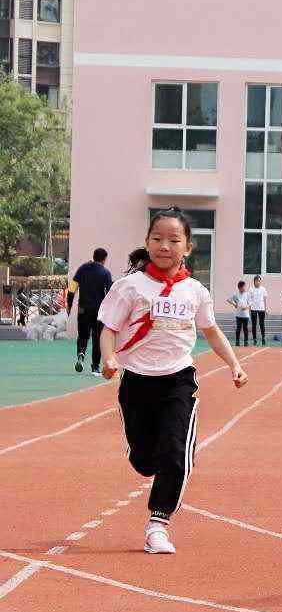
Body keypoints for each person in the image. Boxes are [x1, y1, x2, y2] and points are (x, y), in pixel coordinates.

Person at [96, 208, 247, 554]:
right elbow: (109, 330)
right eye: (157, 238)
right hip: (136, 382)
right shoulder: (129, 287)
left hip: (179, 380)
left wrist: (234, 365)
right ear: (147, 242)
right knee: (145, 460)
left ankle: (158, 524)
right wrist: (109, 358)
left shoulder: (195, 291)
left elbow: (211, 332)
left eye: (173, 240)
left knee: (176, 453)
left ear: (188, 247)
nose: (165, 245)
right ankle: (142, 457)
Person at [67, 247, 113, 374]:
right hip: (98, 310)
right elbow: (109, 294)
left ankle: (81, 353)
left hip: (83, 308)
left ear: (93, 256)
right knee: (97, 338)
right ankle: (95, 367)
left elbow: (72, 288)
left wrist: (69, 306)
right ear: (104, 259)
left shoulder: (82, 269)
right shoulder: (105, 273)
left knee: (83, 335)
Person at [227, 281, 251, 347]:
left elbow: (250, 303)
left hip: (245, 315)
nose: (244, 288)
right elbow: (228, 299)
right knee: (238, 328)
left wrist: (246, 307)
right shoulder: (236, 295)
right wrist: (234, 304)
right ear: (240, 287)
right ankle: (237, 341)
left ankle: (246, 341)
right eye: (243, 286)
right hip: (238, 314)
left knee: (245, 328)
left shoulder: (247, 294)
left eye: (245, 286)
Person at [248, 275, 268, 346]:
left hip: (261, 309)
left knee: (262, 324)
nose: (258, 282)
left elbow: (265, 300)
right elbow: (249, 300)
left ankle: (263, 338)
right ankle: (254, 339)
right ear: (254, 282)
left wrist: (266, 309)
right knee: (254, 324)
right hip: (253, 309)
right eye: (256, 281)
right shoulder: (251, 289)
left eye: (259, 281)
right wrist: (249, 310)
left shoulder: (263, 289)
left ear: (260, 281)